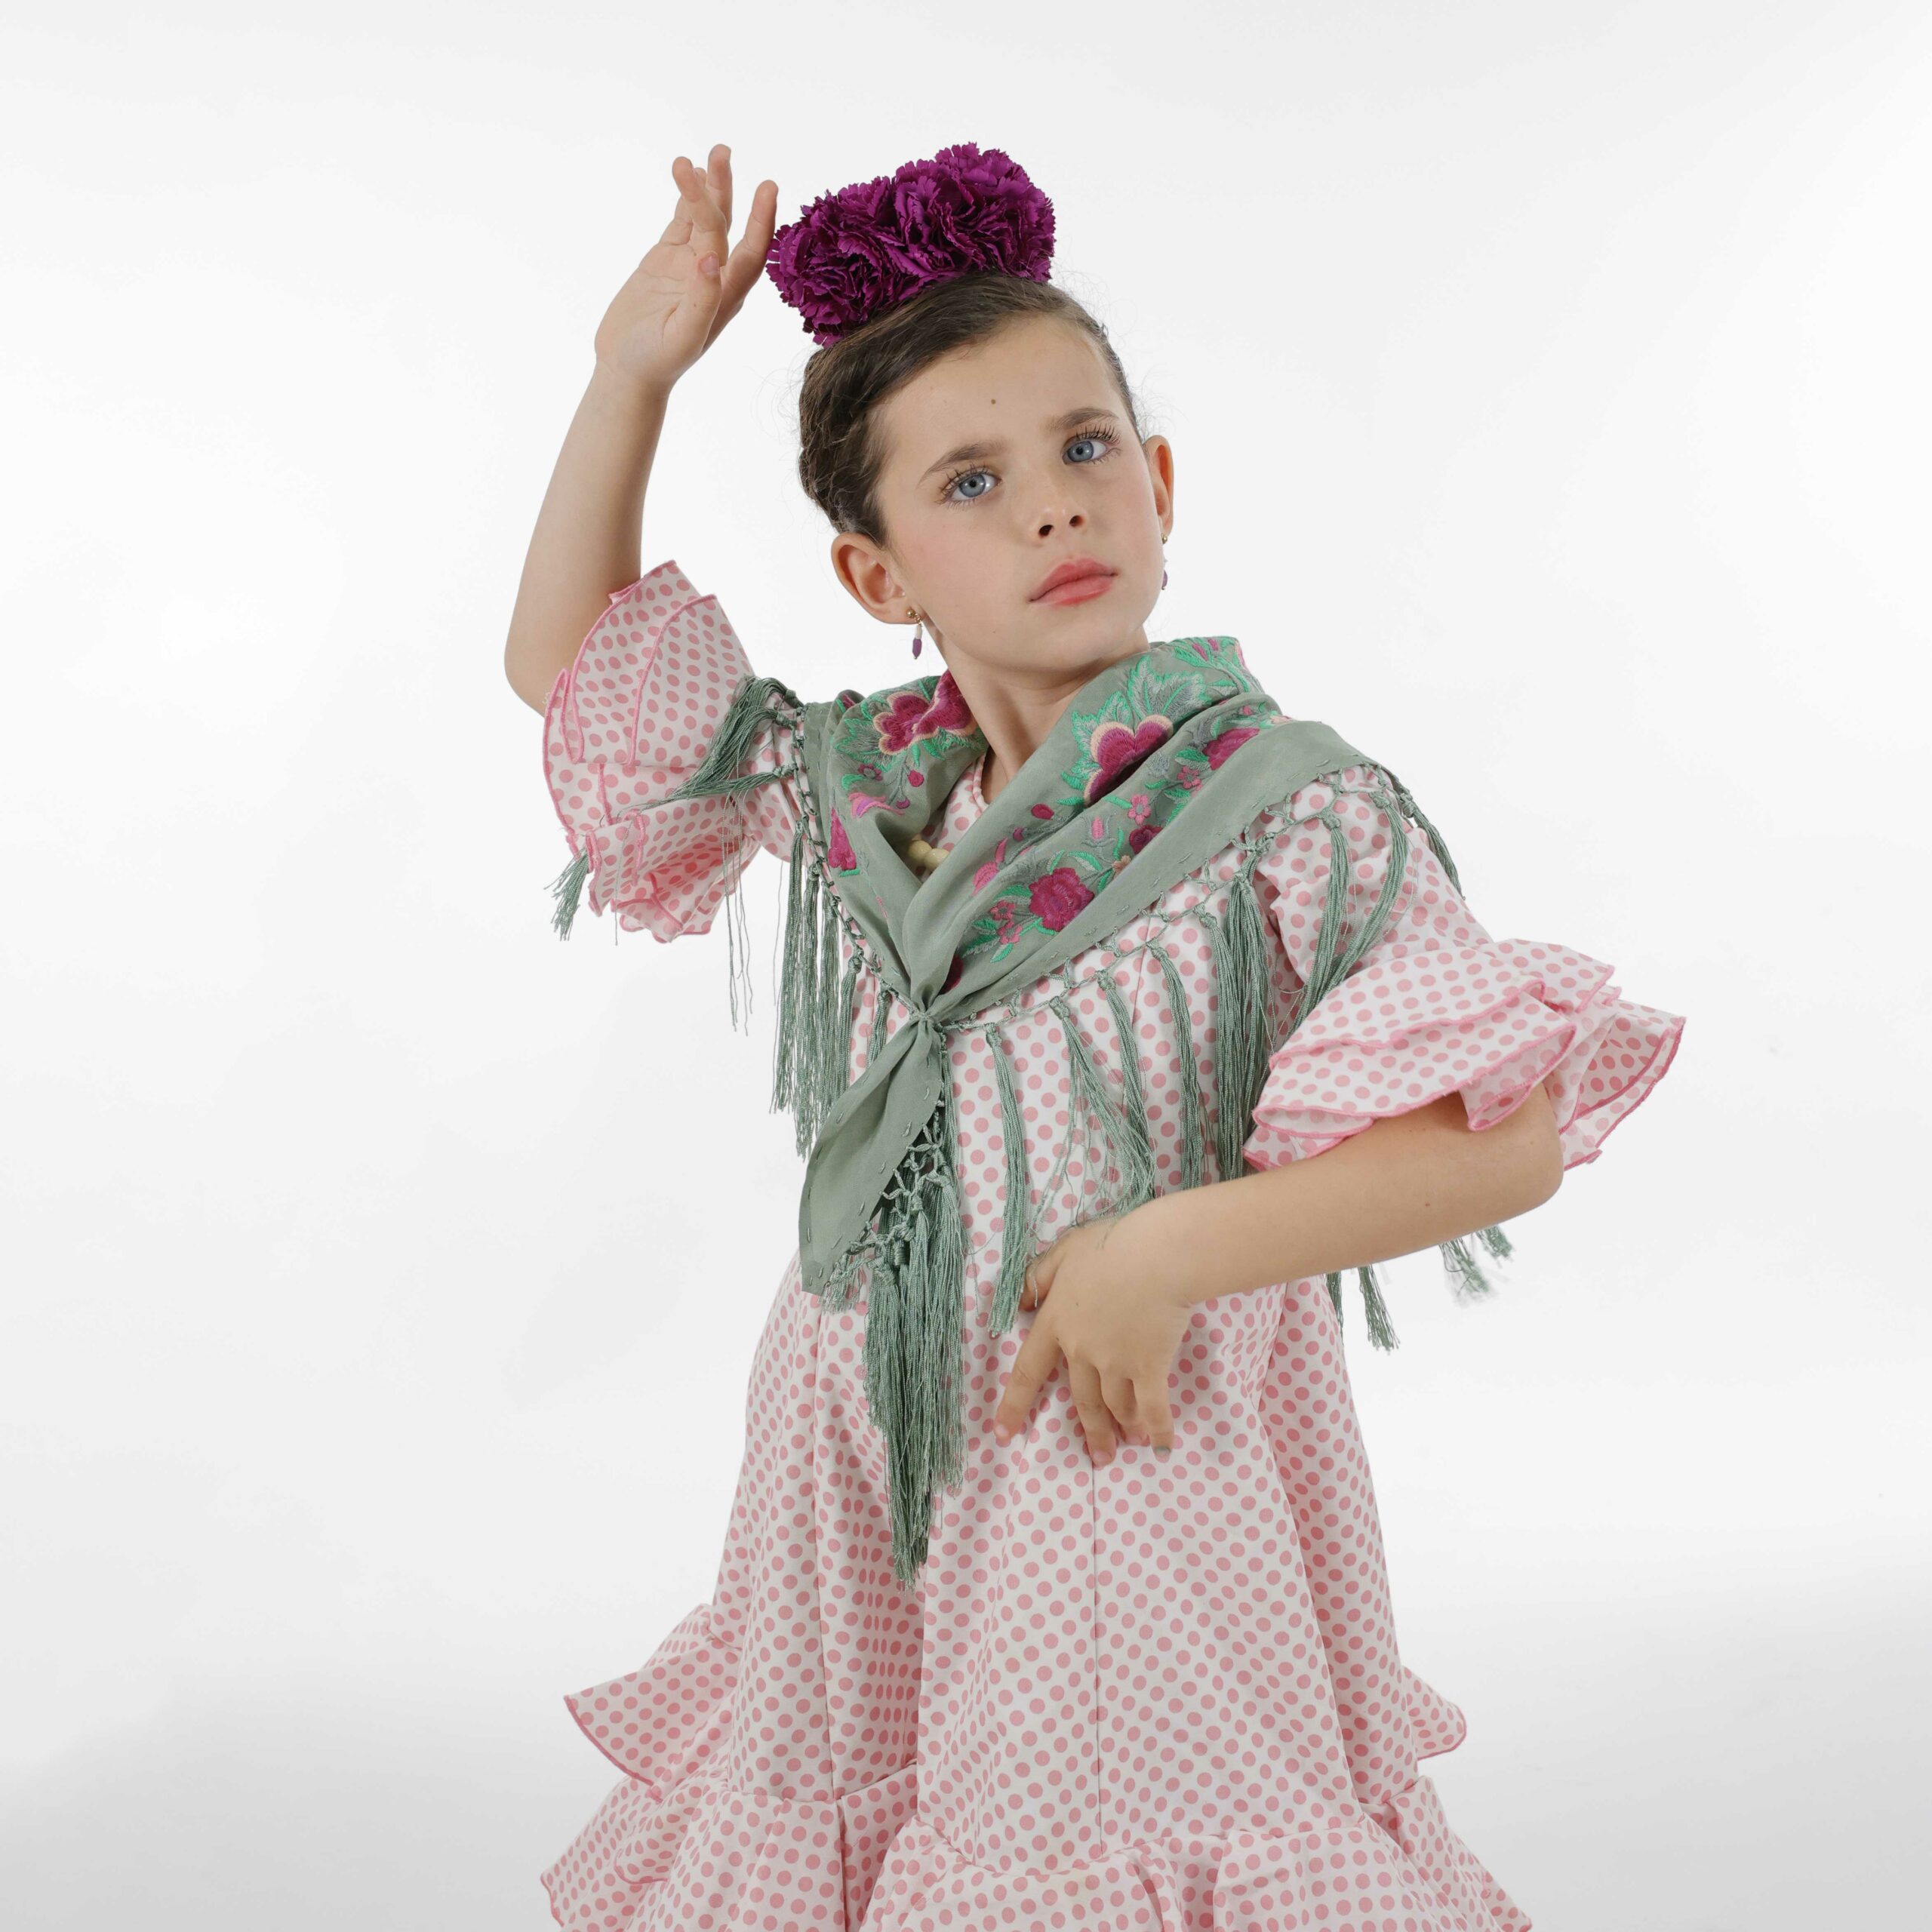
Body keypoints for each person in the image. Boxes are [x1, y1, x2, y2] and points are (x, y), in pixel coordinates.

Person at [505, 141, 1686, 1932]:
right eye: (970, 482)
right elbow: (575, 672)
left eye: (1081, 450)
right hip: (860, 1436)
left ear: (1155, 480)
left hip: (1115, 1431)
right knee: (888, 1813)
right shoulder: (873, 790)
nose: (1053, 509)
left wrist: (1162, 1248)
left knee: (1096, 1841)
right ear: (875, 573)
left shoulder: (1283, 806)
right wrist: (629, 379)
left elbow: (1497, 1133)